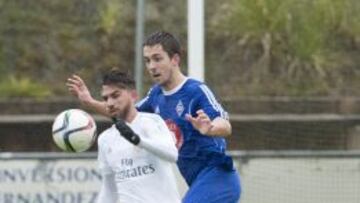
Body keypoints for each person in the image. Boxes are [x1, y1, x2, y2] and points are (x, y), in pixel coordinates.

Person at [67, 31, 241, 203]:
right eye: (147, 61)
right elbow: (125, 114)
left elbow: (225, 124)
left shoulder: (195, 90)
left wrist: (210, 128)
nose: (151, 66)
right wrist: (90, 102)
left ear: (175, 60)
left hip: (219, 176)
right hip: (196, 182)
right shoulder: (155, 95)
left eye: (157, 59)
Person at [93, 69, 181, 203]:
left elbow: (172, 154)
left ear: (133, 95)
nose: (110, 103)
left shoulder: (152, 122)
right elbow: (109, 190)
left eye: (115, 95)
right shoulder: (105, 139)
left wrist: (138, 140)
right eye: (105, 98)